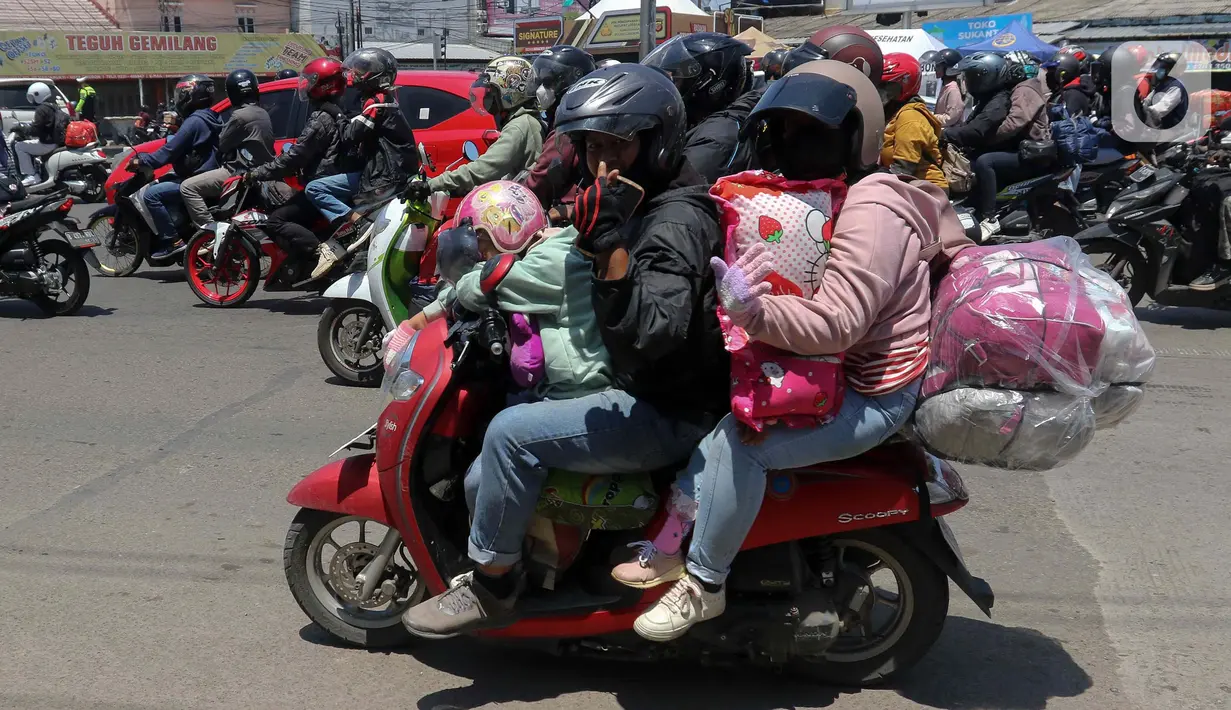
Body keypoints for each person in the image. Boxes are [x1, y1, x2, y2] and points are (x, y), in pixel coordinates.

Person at [616, 59, 974, 641]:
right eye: (780, 132)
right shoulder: (839, 193)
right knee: (723, 427)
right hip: (842, 372)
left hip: (873, 391)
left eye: (810, 132)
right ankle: (672, 538)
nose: (789, 145)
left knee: (743, 446)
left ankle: (704, 584)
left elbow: (837, 324)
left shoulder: (870, 211)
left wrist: (751, 312)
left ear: (855, 136)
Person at [400, 64, 724, 638]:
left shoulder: (674, 220)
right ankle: (539, 567)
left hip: (665, 407)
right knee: (483, 473)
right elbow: (575, 223)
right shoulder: (641, 200)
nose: (604, 162)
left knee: (509, 433)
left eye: (618, 145)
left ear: (658, 140)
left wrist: (607, 250)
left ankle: (493, 587)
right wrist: (565, 222)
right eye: (592, 146)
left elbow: (655, 329)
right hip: (646, 388)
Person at [406, 180, 613, 404]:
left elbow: (480, 286)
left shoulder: (552, 260)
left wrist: (422, 318)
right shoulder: (540, 252)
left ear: (505, 231)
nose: (479, 254)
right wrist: (414, 324)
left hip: (579, 393)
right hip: (560, 387)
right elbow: (480, 281)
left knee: (499, 433)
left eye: (480, 241)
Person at [306, 47, 418, 279]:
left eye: (362, 70)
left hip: (384, 176)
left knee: (315, 188)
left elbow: (350, 135)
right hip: (383, 171)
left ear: (375, 75)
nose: (355, 74)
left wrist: (336, 114)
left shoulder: (378, 103)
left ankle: (358, 224)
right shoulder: (378, 101)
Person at [248, 57, 348, 276]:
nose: (307, 87)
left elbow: (295, 156)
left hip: (322, 185)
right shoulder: (341, 111)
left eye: (311, 81)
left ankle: (322, 252)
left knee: (276, 221)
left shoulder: (321, 118)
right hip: (337, 182)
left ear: (323, 86)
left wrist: (258, 173)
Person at [419, 56, 543, 198]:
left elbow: (487, 168)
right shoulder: (525, 121)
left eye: (492, 93)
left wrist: (433, 184)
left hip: (524, 206)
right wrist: (467, 188)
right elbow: (505, 172)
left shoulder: (520, 126)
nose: (487, 99)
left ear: (510, 91)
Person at [642, 32, 756, 183]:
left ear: (710, 84)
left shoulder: (716, 139)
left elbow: (679, 191)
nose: (674, 88)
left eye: (678, 81)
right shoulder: (709, 124)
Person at [130, 74, 223, 259]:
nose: (179, 98)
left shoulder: (194, 121)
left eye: (182, 93)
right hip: (206, 172)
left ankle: (173, 242)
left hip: (195, 175)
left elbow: (168, 153)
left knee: (151, 195)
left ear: (191, 96)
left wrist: (142, 161)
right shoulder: (211, 116)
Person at [179, 69, 274, 234]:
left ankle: (211, 232)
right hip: (258, 170)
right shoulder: (263, 112)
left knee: (187, 187)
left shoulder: (239, 116)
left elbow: (222, 144)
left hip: (238, 172)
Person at [941, 52, 1013, 238]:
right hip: (987, 148)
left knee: (983, 162)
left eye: (973, 76)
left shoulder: (999, 102)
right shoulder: (986, 99)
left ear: (988, 76)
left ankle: (990, 218)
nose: (969, 81)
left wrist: (944, 133)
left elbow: (976, 131)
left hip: (1001, 152)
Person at [519, 45, 595, 213]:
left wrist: (516, 200)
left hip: (571, 213)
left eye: (549, 82)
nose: (541, 89)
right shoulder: (558, 116)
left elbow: (542, 177)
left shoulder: (570, 123)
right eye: (541, 81)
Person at [879, 52, 947, 191]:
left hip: (926, 190)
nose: (881, 90)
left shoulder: (909, 117)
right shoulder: (893, 112)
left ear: (905, 84)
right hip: (908, 186)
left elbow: (903, 169)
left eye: (887, 85)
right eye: (879, 85)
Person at [14, 82, 67, 186]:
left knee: (19, 146)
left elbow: (36, 129)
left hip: (47, 144)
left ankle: (32, 175)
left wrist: (22, 130)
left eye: (33, 97)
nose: (32, 100)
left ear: (38, 94)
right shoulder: (53, 106)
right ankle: (38, 169)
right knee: (30, 144)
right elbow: (46, 124)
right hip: (55, 141)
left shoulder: (41, 109)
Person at [1136, 51, 1188, 131]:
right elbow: (1147, 101)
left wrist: (1143, 113)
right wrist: (1137, 106)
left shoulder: (1176, 87)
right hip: (1159, 126)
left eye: (1164, 67)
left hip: (1173, 130)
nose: (1159, 69)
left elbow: (1160, 109)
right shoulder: (1162, 84)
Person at [1044, 49, 1097, 118]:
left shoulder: (1073, 95)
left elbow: (1071, 125)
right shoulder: (1062, 92)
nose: (1047, 75)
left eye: (1051, 72)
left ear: (1063, 74)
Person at [933, 47, 966, 128]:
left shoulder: (953, 89)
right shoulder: (946, 86)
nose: (935, 68)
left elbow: (950, 118)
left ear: (948, 68)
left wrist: (930, 117)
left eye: (938, 66)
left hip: (949, 136)